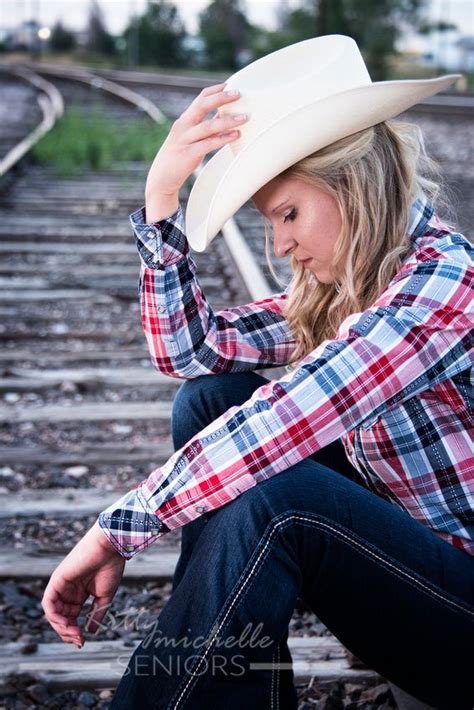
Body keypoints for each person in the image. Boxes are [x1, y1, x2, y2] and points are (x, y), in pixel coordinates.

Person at [41, 36, 473, 709]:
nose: (282, 246)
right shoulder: (356, 286)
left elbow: (292, 415)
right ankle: (233, 688)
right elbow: (191, 353)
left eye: (290, 214)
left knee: (276, 495)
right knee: (210, 399)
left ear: (352, 185)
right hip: (427, 570)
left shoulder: (444, 286)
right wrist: (162, 203)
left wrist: (116, 527)